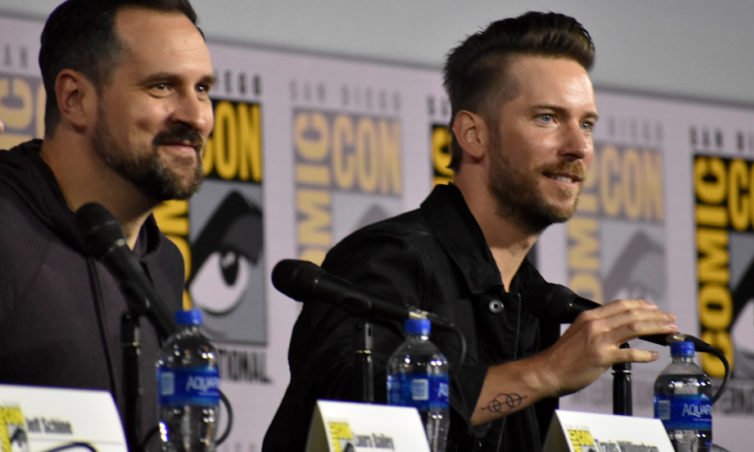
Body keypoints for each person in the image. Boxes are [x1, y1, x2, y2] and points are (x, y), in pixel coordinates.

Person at [262, 11, 678, 452]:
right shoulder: (385, 259)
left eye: (587, 124)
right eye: (547, 118)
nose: (578, 147)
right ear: (473, 135)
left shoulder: (535, 300)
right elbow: (345, 422)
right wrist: (546, 371)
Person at [0, 0, 214, 448]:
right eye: (161, 86)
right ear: (74, 98)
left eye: (202, 89)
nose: (196, 116)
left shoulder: (164, 262)